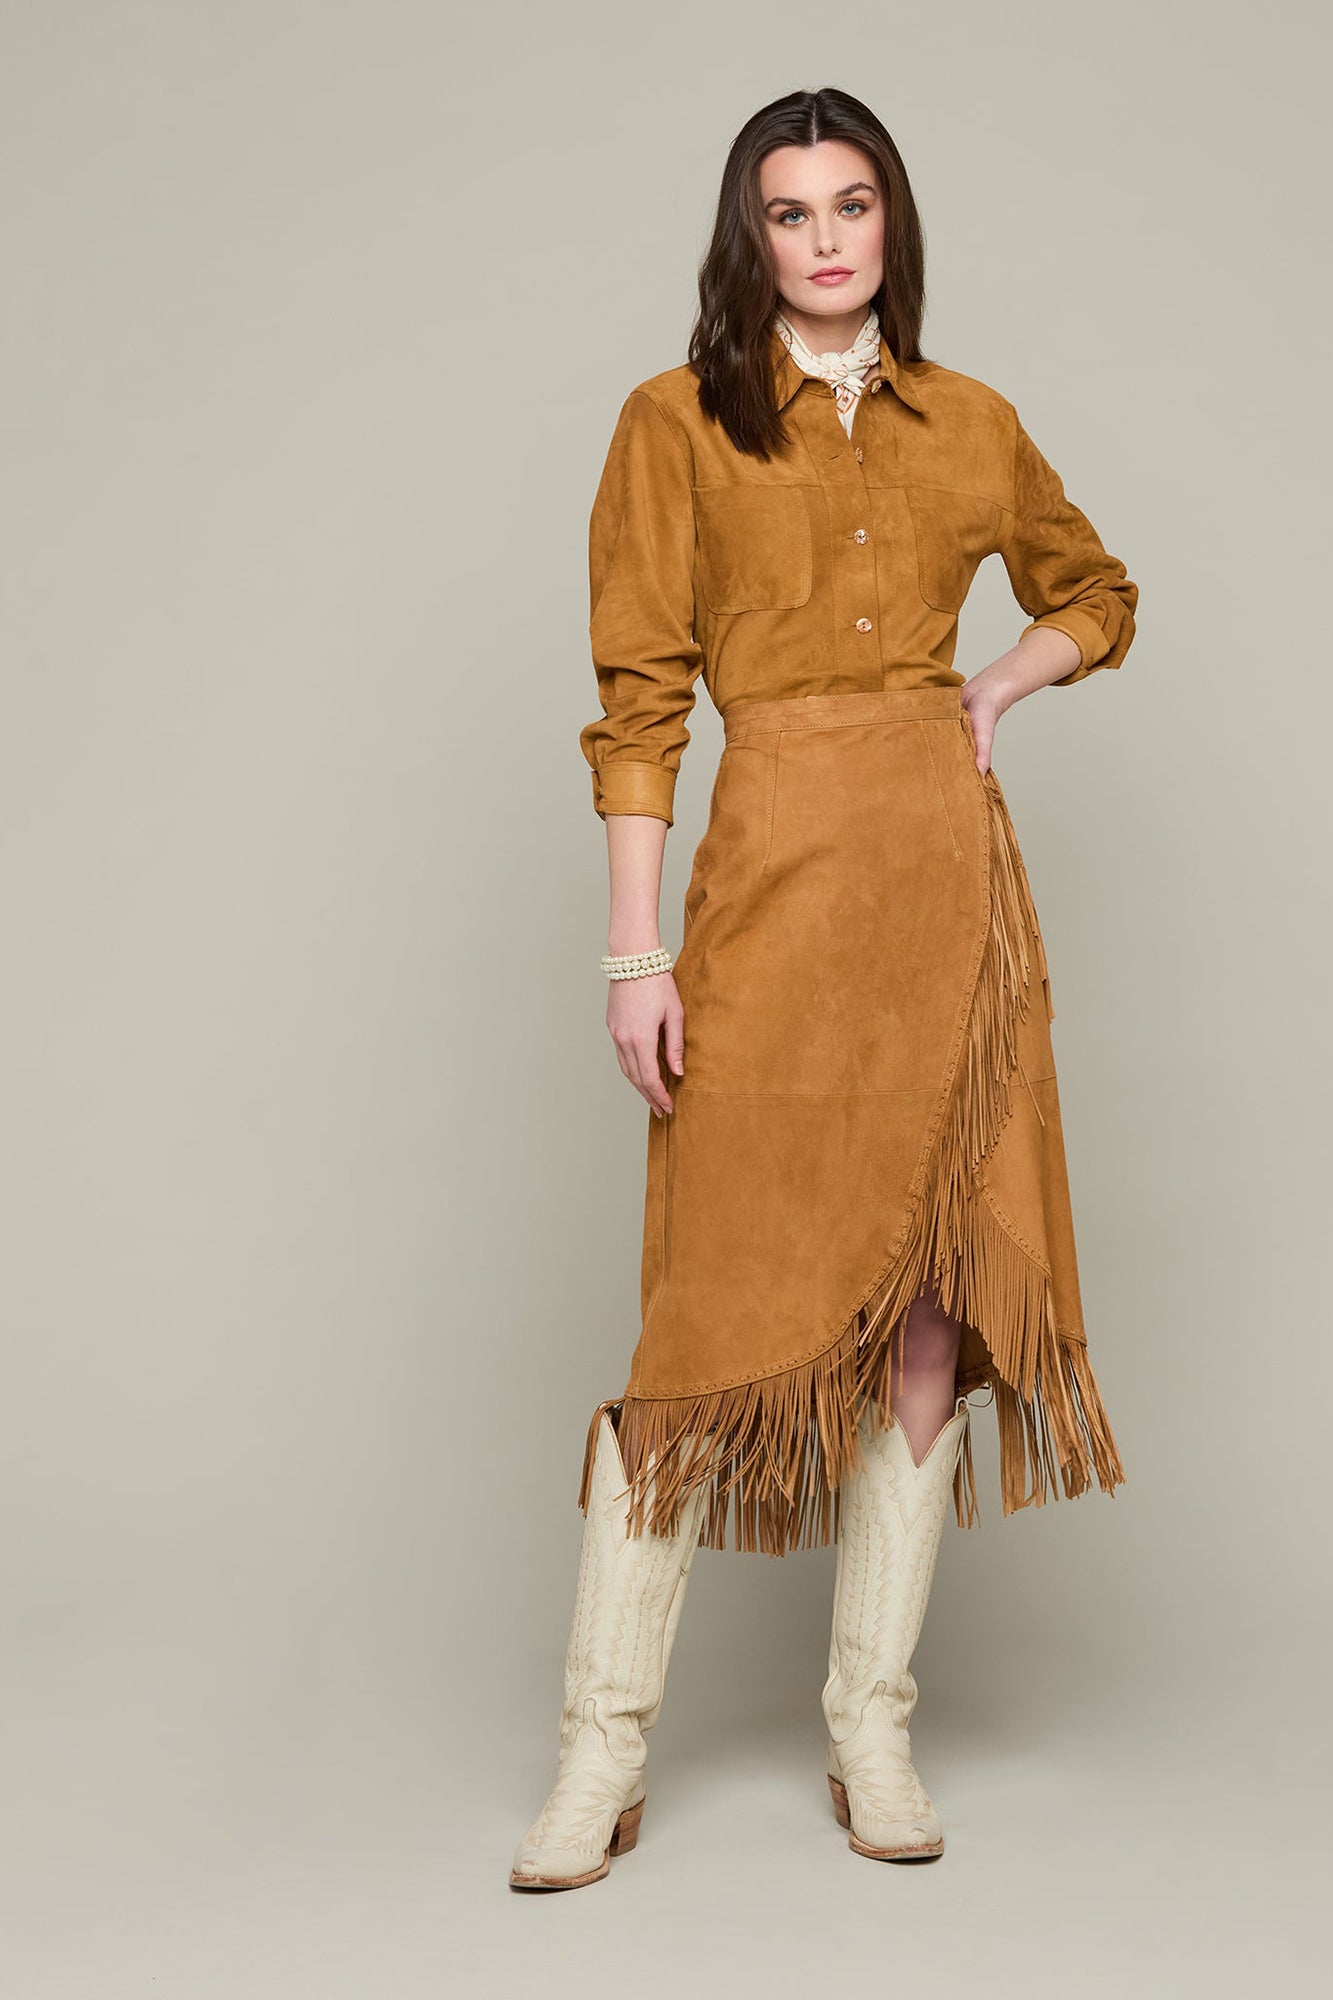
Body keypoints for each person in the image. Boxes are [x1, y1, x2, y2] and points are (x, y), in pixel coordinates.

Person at [510, 85, 1139, 1891]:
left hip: (948, 902)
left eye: (851, 203)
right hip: (770, 896)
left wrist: (999, 683)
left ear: (892, 221)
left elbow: (1098, 590)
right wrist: (637, 952)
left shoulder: (972, 420)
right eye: (789, 213)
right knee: (702, 1321)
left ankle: (873, 1724)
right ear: (751, 238)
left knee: (929, 1313)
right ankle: (601, 1746)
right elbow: (639, 701)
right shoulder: (674, 422)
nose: (826, 238)